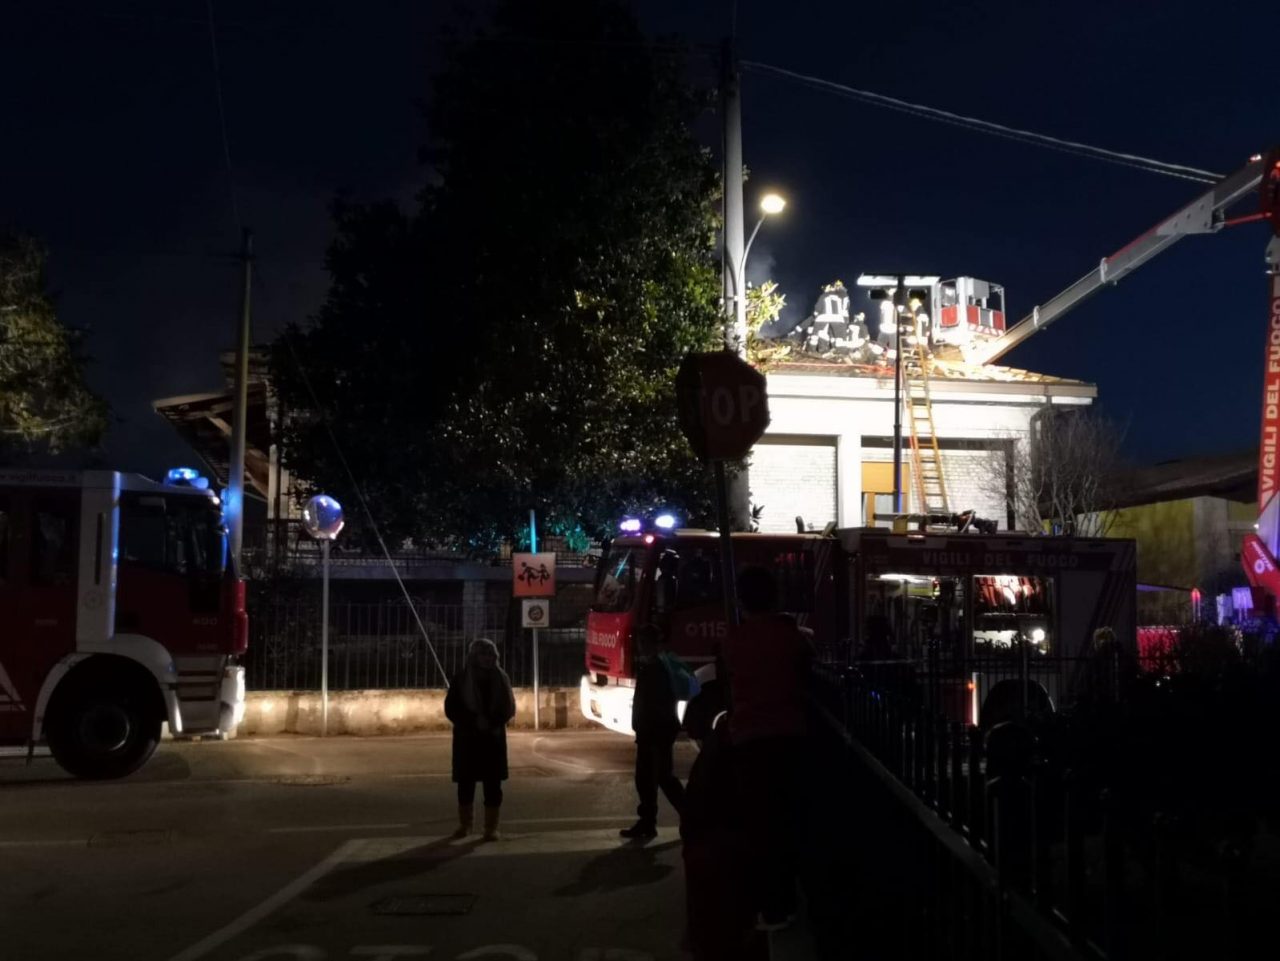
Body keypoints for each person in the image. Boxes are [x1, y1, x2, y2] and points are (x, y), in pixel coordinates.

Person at [725, 565, 814, 931]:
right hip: (791, 736)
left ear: (743, 601)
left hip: (749, 740)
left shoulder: (735, 640)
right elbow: (806, 670)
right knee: (789, 820)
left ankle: (772, 907)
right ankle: (788, 901)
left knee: (761, 826)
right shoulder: (792, 637)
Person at [444, 637, 516, 841]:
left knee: (492, 785)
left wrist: (491, 722)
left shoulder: (501, 678)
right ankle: (465, 825)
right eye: (483, 654)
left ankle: (490, 828)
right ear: (474, 657)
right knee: (465, 784)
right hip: (468, 738)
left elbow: (508, 707)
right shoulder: (462, 679)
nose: (488, 659)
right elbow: (452, 708)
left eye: (491, 655)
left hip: (492, 739)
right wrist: (473, 721)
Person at [620, 623, 686, 840]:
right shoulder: (658, 666)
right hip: (657, 732)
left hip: (653, 733)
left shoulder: (655, 669)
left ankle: (652, 822)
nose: (639, 646)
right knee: (660, 778)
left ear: (647, 644)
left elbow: (653, 704)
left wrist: (644, 728)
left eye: (641, 642)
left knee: (651, 779)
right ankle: (658, 820)